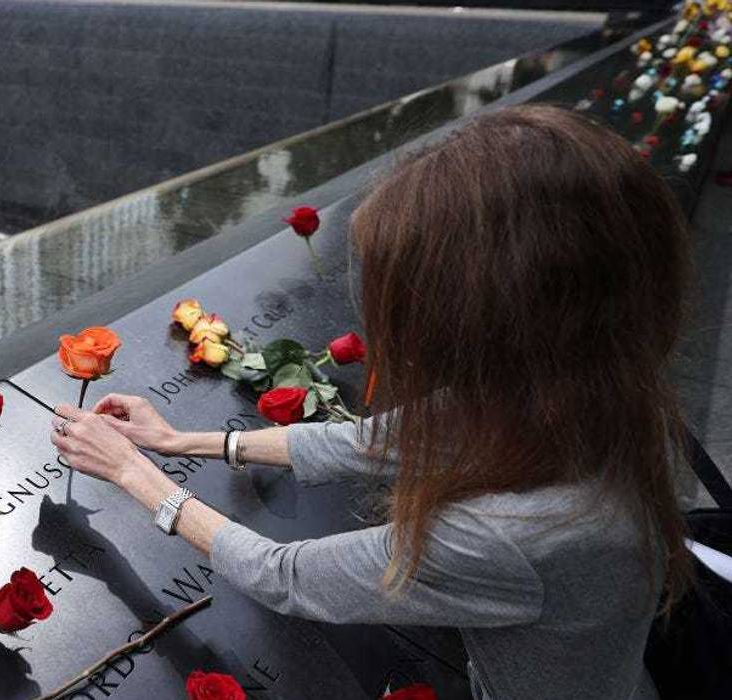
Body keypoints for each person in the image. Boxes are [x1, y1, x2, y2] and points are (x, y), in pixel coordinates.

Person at [48, 105, 693, 700]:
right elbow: (375, 442)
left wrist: (133, 474)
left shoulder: (525, 534)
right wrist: (180, 441)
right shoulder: (587, 388)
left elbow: (284, 576)